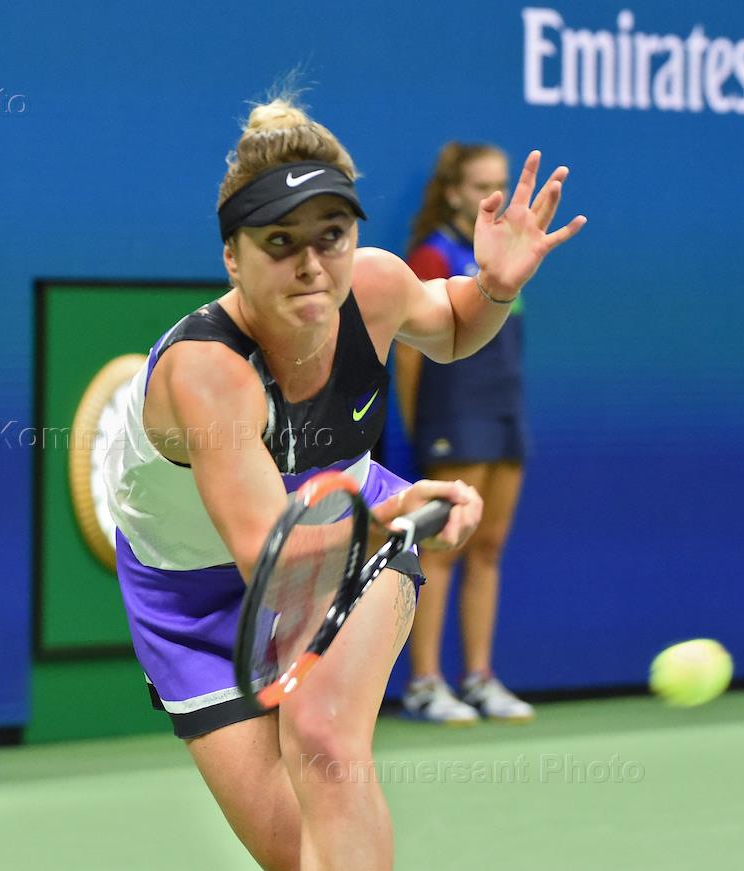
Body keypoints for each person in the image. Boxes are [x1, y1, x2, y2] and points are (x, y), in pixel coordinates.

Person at [104, 99, 583, 870]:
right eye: (279, 241)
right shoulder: (207, 375)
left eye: (331, 235)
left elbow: (452, 323)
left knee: (325, 740)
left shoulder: (375, 286)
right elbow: (273, 555)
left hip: (350, 536)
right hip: (195, 600)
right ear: (232, 257)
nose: (311, 264)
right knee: (295, 851)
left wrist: (492, 287)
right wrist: (395, 517)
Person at [394, 143, 535, 725]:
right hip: (454, 414)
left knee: (489, 546)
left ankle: (478, 678)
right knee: (442, 547)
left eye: (500, 183)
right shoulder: (433, 255)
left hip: (504, 412)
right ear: (453, 192)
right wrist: (419, 424)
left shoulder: (507, 254)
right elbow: (409, 354)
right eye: (481, 186)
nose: (493, 196)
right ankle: (425, 683)